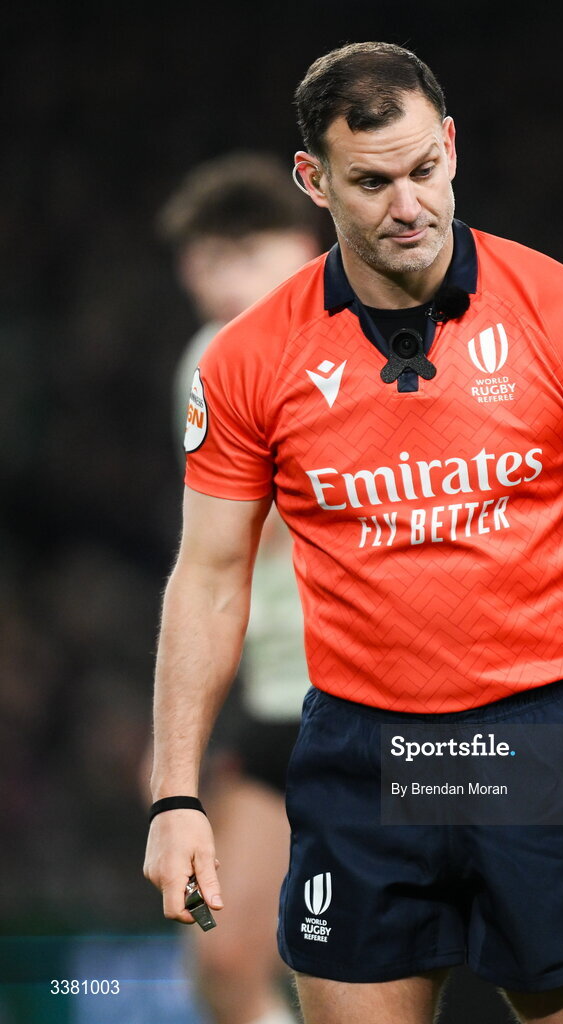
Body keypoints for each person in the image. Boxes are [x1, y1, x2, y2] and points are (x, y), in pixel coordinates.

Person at [144, 42, 563, 1024]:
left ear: (452, 147)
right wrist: (175, 796)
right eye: (371, 182)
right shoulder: (248, 360)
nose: (407, 204)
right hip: (359, 752)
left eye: (424, 169)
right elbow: (207, 576)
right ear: (314, 180)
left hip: (535, 742)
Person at [154, 152, 321, 1024]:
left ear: (302, 247)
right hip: (271, 697)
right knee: (223, 964)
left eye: (236, 261)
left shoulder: (382, 337)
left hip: (398, 701)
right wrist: (178, 753)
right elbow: (216, 558)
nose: (217, 293)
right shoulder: (211, 360)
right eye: (201, 276)